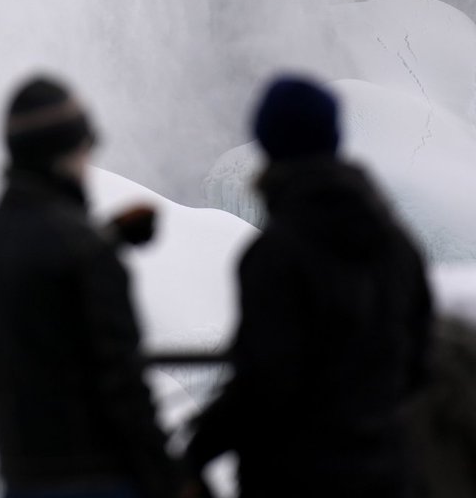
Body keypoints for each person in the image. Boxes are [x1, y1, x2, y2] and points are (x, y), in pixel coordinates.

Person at [184, 76, 433, 498]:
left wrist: (195, 453)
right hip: (387, 474)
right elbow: (418, 363)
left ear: (268, 143)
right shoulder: (398, 246)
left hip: (293, 476)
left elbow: (264, 381)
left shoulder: (276, 255)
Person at [0, 76, 182, 498]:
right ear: (67, 152)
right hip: (100, 477)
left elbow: (38, 296)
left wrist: (104, 238)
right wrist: (171, 480)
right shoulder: (85, 251)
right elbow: (124, 386)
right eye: (85, 146)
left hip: (22, 473)